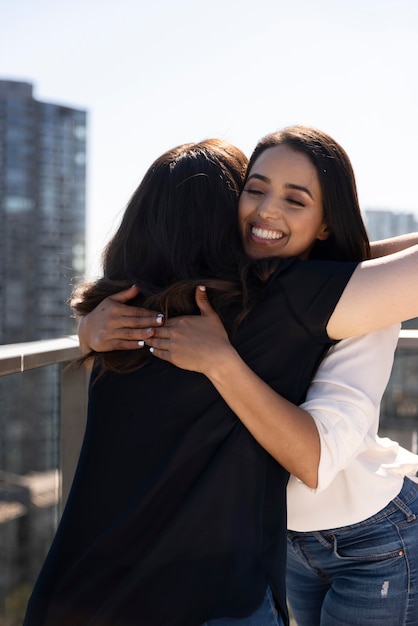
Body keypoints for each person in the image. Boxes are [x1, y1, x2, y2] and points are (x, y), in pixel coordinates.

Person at [79, 126, 418, 626]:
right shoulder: (229, 291)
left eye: (296, 200)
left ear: (326, 223)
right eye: (254, 189)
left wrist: (221, 362)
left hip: (370, 533)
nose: (266, 210)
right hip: (282, 539)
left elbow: (315, 460)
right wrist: (88, 328)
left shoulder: (352, 300)